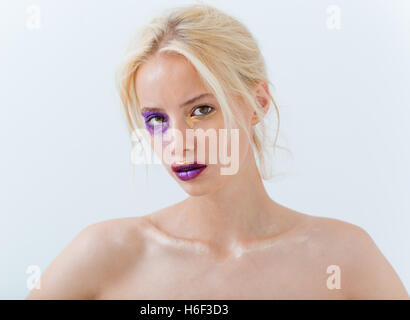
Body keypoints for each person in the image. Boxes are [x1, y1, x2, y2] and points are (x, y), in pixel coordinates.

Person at [26, 3, 409, 299]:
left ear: (257, 103)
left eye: (201, 110)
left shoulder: (343, 257)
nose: (178, 141)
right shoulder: (107, 253)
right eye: (157, 119)